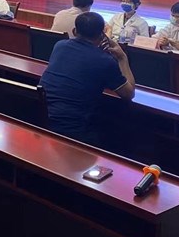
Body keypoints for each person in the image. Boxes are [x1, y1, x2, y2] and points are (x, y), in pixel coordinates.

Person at [39, 12, 135, 146]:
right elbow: (129, 94)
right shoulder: (105, 61)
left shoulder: (59, 46)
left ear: (74, 31)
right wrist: (122, 58)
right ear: (102, 36)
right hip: (73, 130)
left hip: (42, 118)